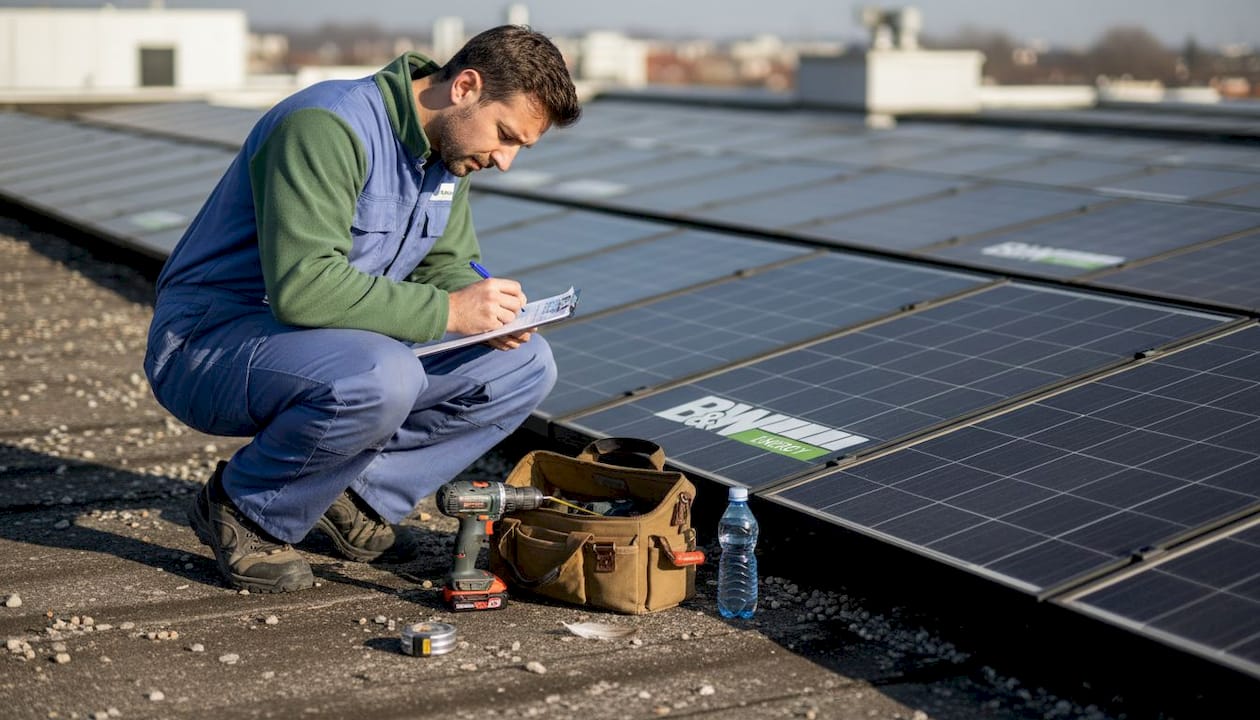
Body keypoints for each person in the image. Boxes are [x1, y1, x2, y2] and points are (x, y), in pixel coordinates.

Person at [143, 25, 582, 593]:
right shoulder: (328, 125)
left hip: (330, 343)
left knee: (525, 367)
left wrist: (489, 308)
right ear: (466, 87)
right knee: (383, 373)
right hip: (210, 345)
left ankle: (351, 501)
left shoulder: (448, 153)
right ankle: (246, 509)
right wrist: (451, 312)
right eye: (505, 135)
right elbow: (304, 288)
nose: (505, 161)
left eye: (520, 145)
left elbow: (444, 266)